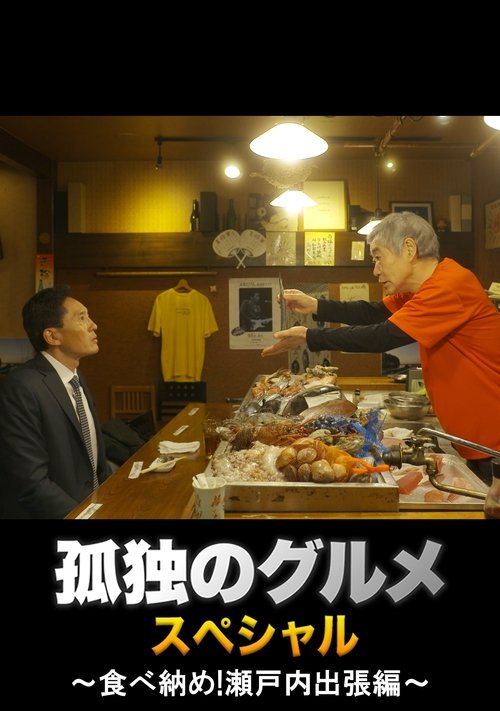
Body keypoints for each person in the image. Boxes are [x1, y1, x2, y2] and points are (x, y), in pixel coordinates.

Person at [262, 211, 500, 506]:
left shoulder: (450, 285)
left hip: (494, 444)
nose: (375, 270)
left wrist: (309, 337)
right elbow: (373, 312)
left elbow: (382, 336)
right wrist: (315, 305)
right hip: (476, 443)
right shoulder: (422, 289)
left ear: (409, 249)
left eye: (378, 257)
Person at [0, 285, 110, 518]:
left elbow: (93, 460)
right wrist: (84, 516)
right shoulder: (22, 387)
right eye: (82, 318)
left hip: (93, 506)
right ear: (52, 336)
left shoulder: (76, 377)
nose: (93, 325)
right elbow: (31, 481)